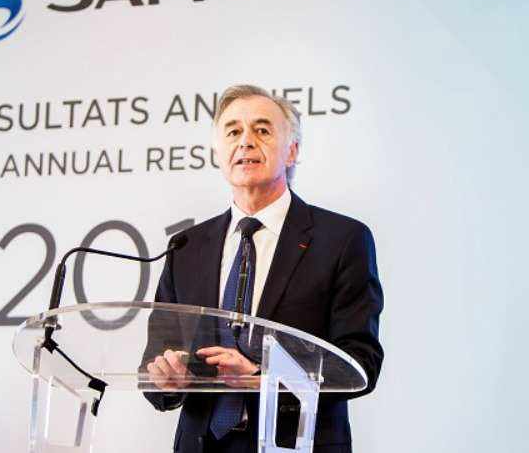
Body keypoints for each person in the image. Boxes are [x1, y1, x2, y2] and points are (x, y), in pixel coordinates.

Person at [142, 84, 384, 453]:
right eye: (233, 131)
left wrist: (263, 378)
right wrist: (167, 378)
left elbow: (359, 364)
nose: (246, 141)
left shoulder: (341, 239)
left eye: (262, 130)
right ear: (217, 152)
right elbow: (155, 361)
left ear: (293, 150)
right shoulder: (186, 247)